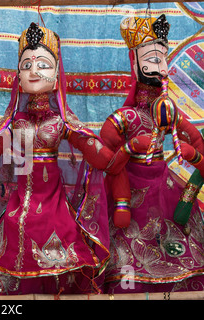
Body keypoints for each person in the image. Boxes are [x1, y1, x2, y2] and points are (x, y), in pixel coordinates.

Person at [0, 22, 149, 295]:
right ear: (18, 77)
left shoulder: (64, 122)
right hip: (17, 212)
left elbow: (103, 161)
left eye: (43, 65)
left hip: (57, 210)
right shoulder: (11, 124)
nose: (34, 71)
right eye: (26, 66)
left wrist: (128, 150)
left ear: (57, 76)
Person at [101, 14, 204, 293]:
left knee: (183, 256)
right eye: (153, 59)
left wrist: (194, 155)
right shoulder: (125, 117)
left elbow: (198, 144)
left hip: (166, 188)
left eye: (164, 58)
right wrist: (130, 148)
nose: (163, 68)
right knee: (126, 260)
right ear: (135, 63)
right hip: (131, 195)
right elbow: (105, 161)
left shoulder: (168, 111)